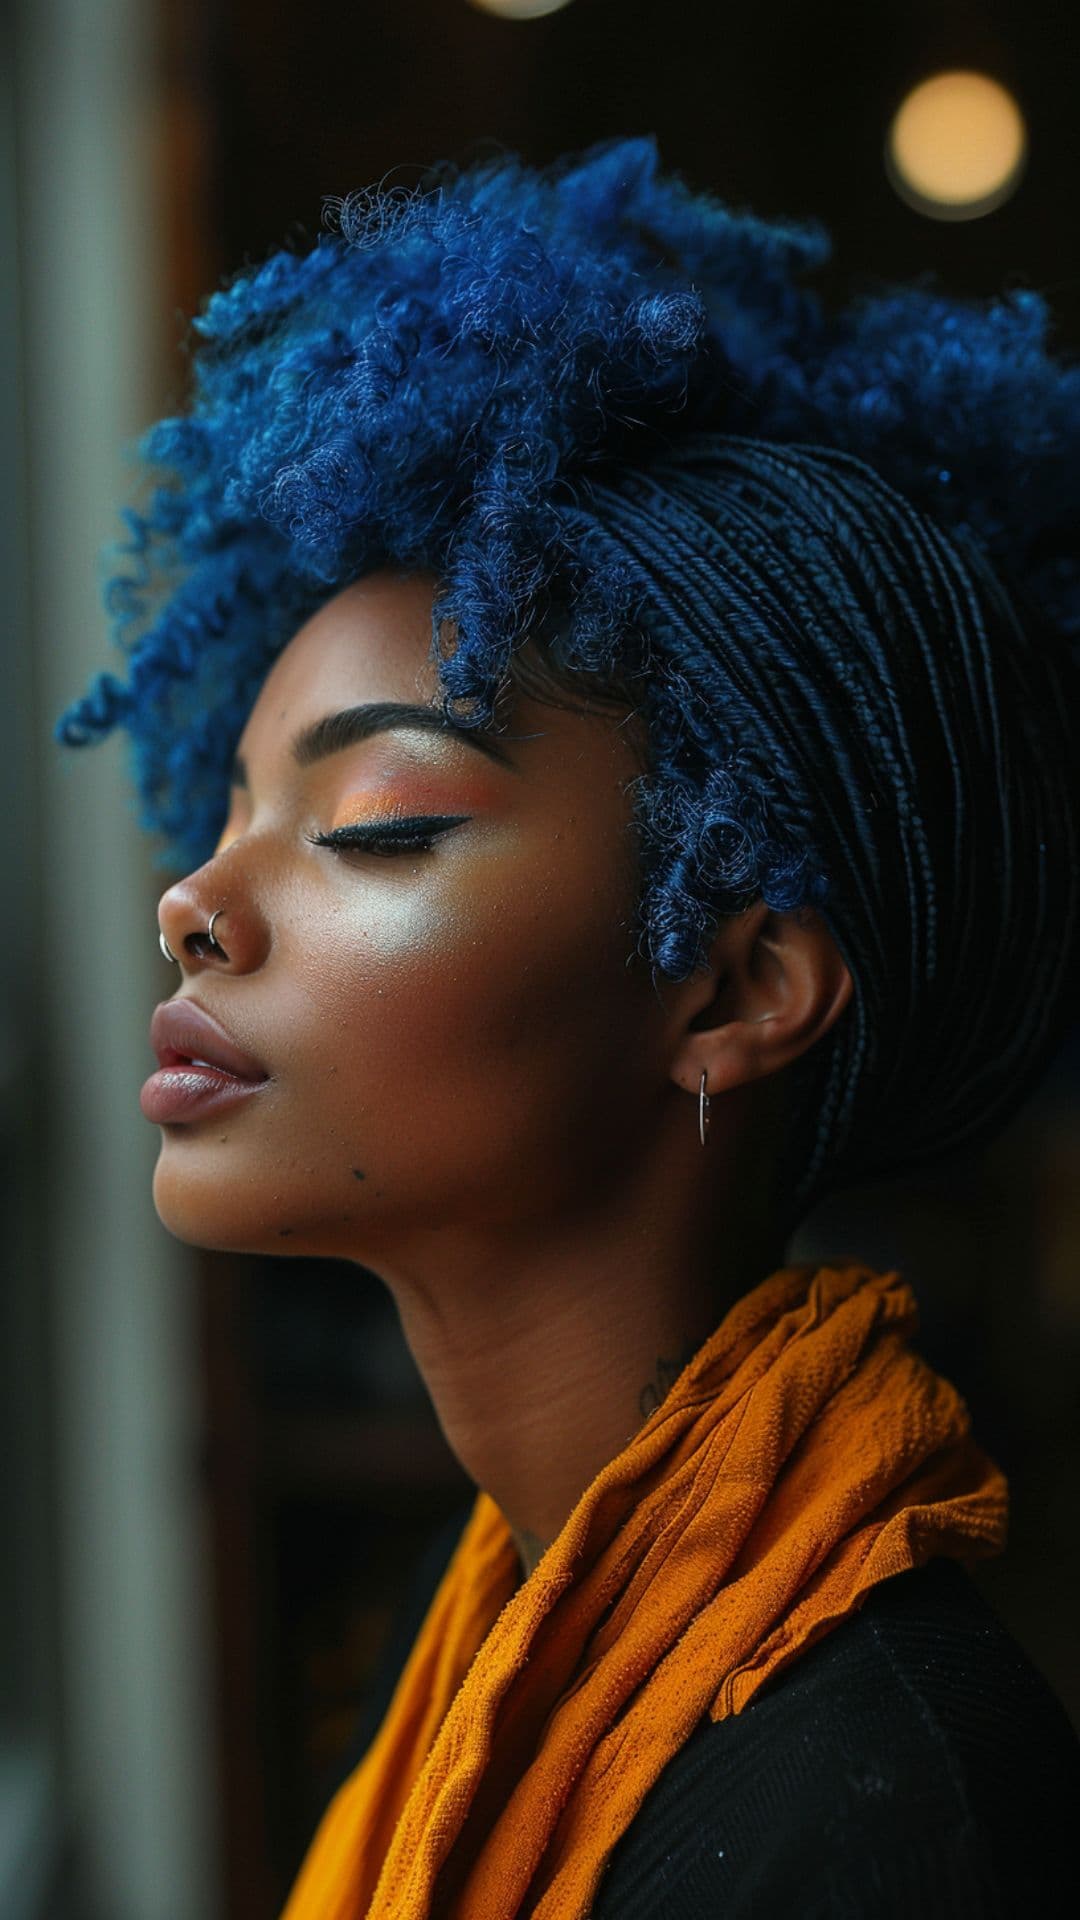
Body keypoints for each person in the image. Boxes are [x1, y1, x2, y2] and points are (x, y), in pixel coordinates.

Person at [57, 137, 1080, 1916]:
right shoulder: (478, 1654)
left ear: (739, 987)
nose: (195, 903)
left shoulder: (892, 1822)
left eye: (375, 820)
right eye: (223, 812)